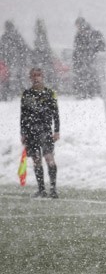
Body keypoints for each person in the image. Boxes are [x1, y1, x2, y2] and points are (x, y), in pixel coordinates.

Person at [20, 68, 60, 198]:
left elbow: (55, 113)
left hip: (45, 131)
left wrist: (57, 130)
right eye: (33, 76)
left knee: (49, 158)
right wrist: (23, 132)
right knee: (36, 160)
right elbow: (24, 115)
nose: (36, 78)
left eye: (38, 75)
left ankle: (53, 189)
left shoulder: (49, 93)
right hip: (31, 132)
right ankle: (41, 189)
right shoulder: (26, 94)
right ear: (30, 78)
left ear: (43, 77)